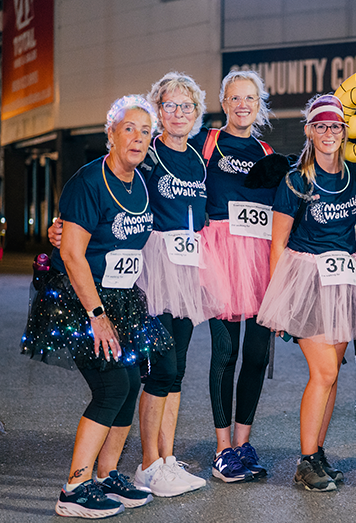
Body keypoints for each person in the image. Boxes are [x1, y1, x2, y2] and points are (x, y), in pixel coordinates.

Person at [21, 96, 168, 518]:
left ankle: (105, 476)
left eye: (145, 130)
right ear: (110, 134)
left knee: (130, 382)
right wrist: (97, 315)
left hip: (122, 298)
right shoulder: (88, 182)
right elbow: (71, 254)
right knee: (111, 387)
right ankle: (74, 488)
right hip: (82, 300)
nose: (138, 137)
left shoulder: (142, 179)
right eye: (129, 128)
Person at [256, 94, 356, 492]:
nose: (328, 133)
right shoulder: (296, 179)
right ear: (309, 130)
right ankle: (305, 462)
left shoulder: (354, 174)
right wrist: (277, 301)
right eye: (320, 125)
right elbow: (277, 243)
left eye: (335, 126)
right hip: (306, 278)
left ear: (344, 130)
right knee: (324, 373)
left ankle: (317, 454)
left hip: (344, 280)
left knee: (332, 376)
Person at [132, 72, 215, 496]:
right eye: (169, 105)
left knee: (177, 369)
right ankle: (146, 465)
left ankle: (166, 458)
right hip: (154, 268)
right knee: (159, 370)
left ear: (196, 113)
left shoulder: (200, 160)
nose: (178, 113)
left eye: (186, 106)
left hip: (188, 269)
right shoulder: (148, 155)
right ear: (158, 110)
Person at [194, 70, 278, 482]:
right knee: (225, 352)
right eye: (234, 98)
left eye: (250, 98)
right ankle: (222, 448)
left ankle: (243, 444)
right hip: (221, 256)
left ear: (258, 104)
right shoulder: (204, 143)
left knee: (258, 354)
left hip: (261, 258)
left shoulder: (267, 151)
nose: (242, 105)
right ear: (223, 103)